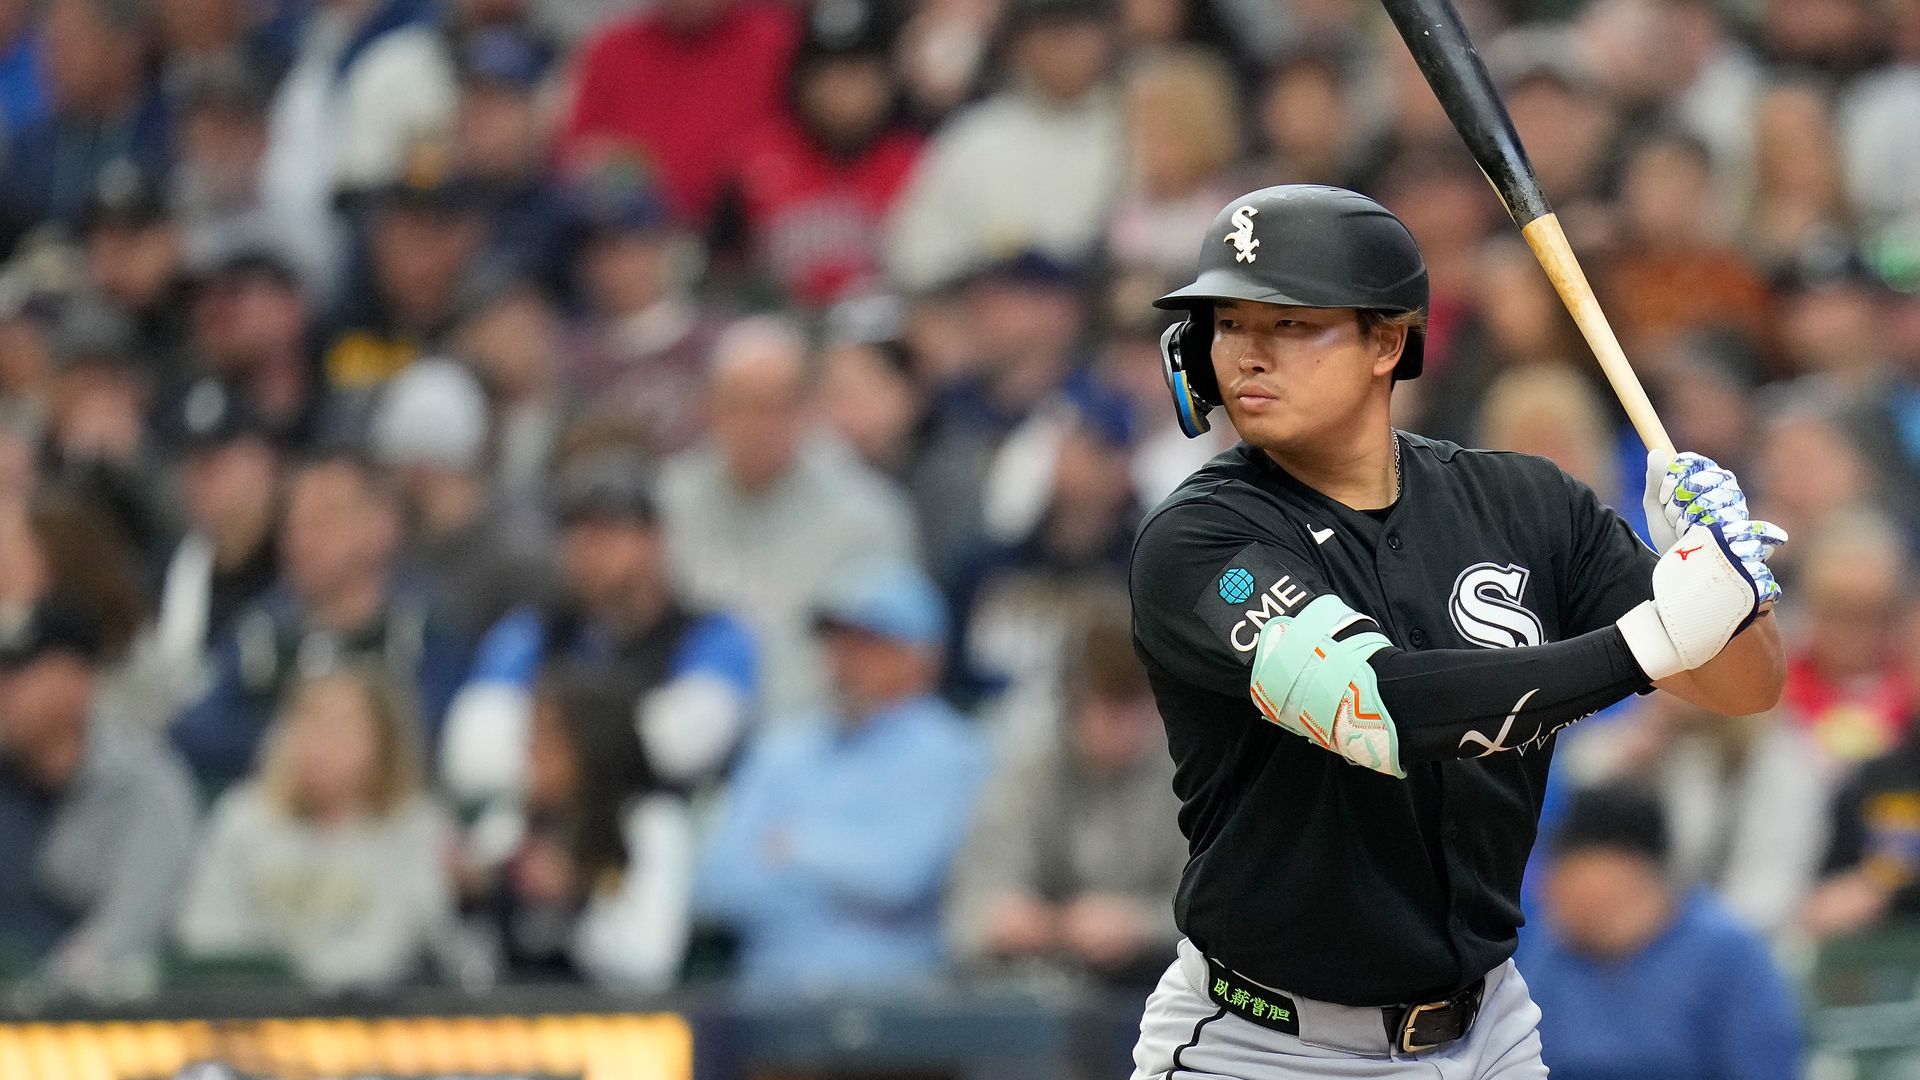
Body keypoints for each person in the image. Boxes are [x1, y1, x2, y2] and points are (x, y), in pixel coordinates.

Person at [1126, 185, 1788, 1076]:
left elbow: (1747, 688)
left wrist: (1729, 586)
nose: (1249, 353)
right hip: (1266, 1044)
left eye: (1291, 324)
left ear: (1387, 342)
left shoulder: (1526, 503)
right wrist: (1652, 640)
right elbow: (1374, 710)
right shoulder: (1199, 539)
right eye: (1229, 324)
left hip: (1489, 1028)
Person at [694, 561, 989, 991]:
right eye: (837, 642)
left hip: (899, 1004)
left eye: (867, 643)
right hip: (770, 998)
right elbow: (717, 883)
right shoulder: (782, 749)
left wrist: (792, 847)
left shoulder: (954, 752)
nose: (845, 660)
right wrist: (847, 878)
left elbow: (899, 877)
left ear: (922, 657)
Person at [658, 316, 919, 717]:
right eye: (740, 405)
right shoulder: (670, 498)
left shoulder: (867, 514)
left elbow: (887, 653)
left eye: (775, 407)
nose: (757, 426)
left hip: (818, 731)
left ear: (809, 409)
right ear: (708, 408)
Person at [172, 453, 468, 792]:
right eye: (293, 522)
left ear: (382, 525)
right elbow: (195, 730)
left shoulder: (421, 628)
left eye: (324, 520)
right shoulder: (263, 628)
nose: (302, 539)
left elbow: (427, 732)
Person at [948, 595, 1186, 987]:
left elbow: (1221, 914)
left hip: (1166, 980)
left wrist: (1138, 925)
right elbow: (970, 908)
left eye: (1133, 707)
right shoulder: (1031, 773)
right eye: (1106, 707)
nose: (1121, 728)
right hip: (1040, 983)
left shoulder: (1189, 778)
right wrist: (1004, 918)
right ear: (1072, 701)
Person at [174, 669, 458, 991]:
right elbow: (204, 932)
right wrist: (267, 982)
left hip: (369, 1014)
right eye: (309, 722)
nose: (321, 744)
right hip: (247, 1010)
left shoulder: (416, 827)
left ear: (383, 742)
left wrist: (300, 986)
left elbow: (392, 949)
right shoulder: (241, 818)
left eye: (342, 728)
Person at [1517, 784, 1801, 1080]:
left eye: (1565, 865)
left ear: (1625, 868)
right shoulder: (1548, 953)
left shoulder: (1727, 954)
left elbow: (1763, 1068)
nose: (1547, 885)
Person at [0, 600, 197, 1000]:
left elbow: (131, 928)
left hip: (90, 1015)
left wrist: (36, 998)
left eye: (17, 672)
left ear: (77, 680)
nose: (3, 688)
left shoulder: (142, 785)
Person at [469, 671, 697, 989]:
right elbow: (472, 965)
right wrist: (473, 894)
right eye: (530, 740)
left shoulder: (653, 824)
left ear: (592, 747)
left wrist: (577, 897)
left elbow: (649, 961)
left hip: (612, 1014)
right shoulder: (514, 821)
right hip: (514, 1011)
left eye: (547, 742)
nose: (530, 756)